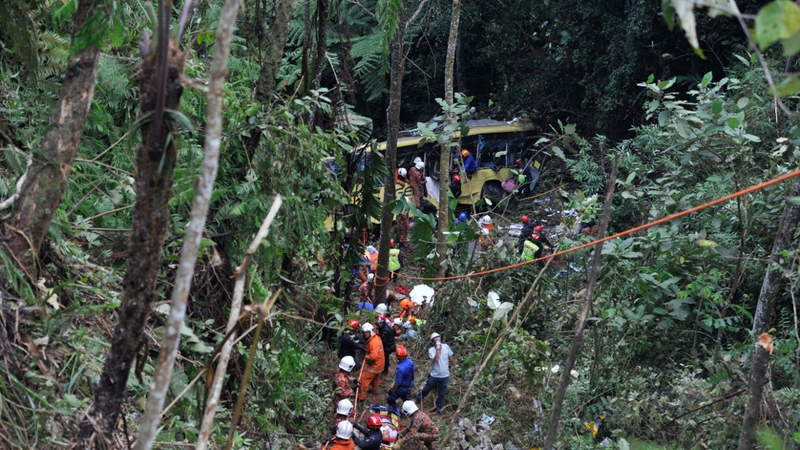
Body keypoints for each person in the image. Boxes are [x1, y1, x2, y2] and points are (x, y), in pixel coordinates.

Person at [415, 332, 454, 413]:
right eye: (435, 339)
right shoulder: (431, 350)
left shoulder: (446, 347)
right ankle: (417, 399)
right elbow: (436, 359)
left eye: (438, 338)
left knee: (441, 393)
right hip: (434, 375)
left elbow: (450, 356)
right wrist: (438, 349)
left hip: (445, 376)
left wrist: (455, 365)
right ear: (433, 342)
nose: (437, 340)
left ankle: (438, 409)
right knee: (426, 389)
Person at [358, 323, 384, 402]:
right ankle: (375, 391)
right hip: (380, 364)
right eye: (363, 333)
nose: (364, 334)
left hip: (375, 365)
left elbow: (373, 356)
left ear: (370, 332)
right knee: (376, 378)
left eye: (366, 333)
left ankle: (362, 397)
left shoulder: (373, 342)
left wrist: (366, 357)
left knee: (364, 378)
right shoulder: (376, 338)